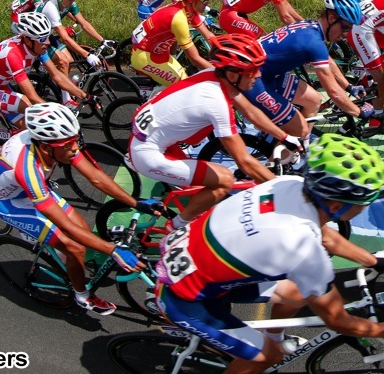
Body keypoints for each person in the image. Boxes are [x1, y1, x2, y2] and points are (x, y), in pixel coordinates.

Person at [154, 134, 384, 374]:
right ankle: (268, 350)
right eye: (364, 203)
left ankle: (273, 338)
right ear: (335, 205)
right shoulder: (303, 248)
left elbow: (325, 235)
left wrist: (372, 260)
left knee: (296, 293)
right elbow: (338, 321)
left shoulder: (289, 184)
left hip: (191, 261)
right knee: (267, 358)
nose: (365, 208)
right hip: (184, 298)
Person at [0, 102, 151, 315]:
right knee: (75, 247)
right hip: (11, 201)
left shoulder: (54, 143)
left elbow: (95, 177)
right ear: (46, 147)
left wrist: (135, 202)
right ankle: (82, 296)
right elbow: (65, 226)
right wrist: (113, 250)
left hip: (28, 187)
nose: (75, 148)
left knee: (83, 229)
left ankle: (69, 265)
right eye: (68, 144)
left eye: (75, 140)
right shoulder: (27, 169)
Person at [128, 35, 300, 230]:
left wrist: (284, 137)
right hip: (148, 153)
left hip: (153, 136)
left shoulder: (214, 75)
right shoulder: (215, 102)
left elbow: (250, 111)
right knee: (225, 180)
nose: (259, 75)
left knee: (202, 191)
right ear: (233, 75)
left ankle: (188, 219)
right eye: (252, 70)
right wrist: (282, 189)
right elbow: (244, 162)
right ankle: (174, 228)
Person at [244, 0, 376, 138]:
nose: (346, 35)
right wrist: (359, 112)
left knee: (314, 100)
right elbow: (333, 92)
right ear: (332, 18)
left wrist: (349, 86)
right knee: (298, 130)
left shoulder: (310, 26)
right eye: (345, 28)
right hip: (252, 79)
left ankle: (298, 142)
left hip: (268, 72)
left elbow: (328, 60)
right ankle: (284, 147)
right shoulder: (313, 43)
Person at [0, 12, 87, 125]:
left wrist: (85, 96)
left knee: (36, 120)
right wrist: (57, 114)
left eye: (48, 37)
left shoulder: (37, 47)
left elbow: (57, 76)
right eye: (42, 39)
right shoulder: (13, 55)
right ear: (28, 40)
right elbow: (32, 97)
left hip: (2, 82)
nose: (48, 42)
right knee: (30, 109)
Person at [130, 0, 217, 86]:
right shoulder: (179, 19)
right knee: (183, 87)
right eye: (205, 1)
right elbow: (194, 58)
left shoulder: (189, 10)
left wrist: (228, 55)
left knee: (183, 80)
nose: (208, 4)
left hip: (159, 54)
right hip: (145, 56)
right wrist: (220, 74)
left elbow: (209, 36)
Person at [41, 0, 111, 79]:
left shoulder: (68, 4)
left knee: (70, 62)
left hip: (47, 36)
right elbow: (65, 38)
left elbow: (84, 24)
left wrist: (103, 40)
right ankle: (61, 88)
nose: (73, 1)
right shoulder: (51, 8)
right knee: (64, 61)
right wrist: (87, 55)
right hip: (36, 40)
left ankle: (55, 84)